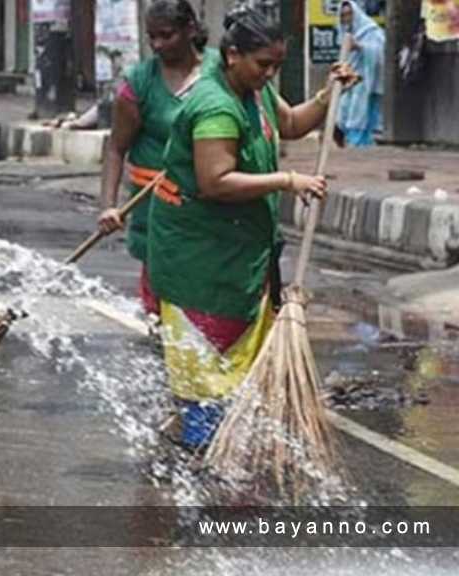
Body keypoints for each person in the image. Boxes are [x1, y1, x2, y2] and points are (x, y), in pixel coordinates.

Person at [146, 5, 358, 450]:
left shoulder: (255, 91)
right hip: (201, 267)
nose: (269, 73)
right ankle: (202, 474)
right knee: (207, 386)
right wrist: (288, 180)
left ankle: (221, 460)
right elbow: (215, 181)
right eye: (264, 65)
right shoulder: (216, 107)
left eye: (277, 65)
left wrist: (326, 97)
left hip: (240, 258)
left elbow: (291, 124)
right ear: (232, 56)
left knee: (235, 387)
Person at [99, 0, 219, 321]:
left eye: (166, 35)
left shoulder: (223, 72)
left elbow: (279, 121)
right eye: (152, 36)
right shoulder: (139, 83)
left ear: (190, 30)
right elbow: (115, 148)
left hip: (212, 209)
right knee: (163, 310)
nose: (157, 45)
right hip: (157, 211)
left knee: (211, 307)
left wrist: (326, 97)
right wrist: (108, 206)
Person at [335, 0, 385, 148]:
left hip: (366, 80)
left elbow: (380, 50)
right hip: (349, 79)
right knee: (344, 109)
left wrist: (360, 47)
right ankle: (348, 141)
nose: (346, 18)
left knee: (362, 112)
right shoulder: (344, 33)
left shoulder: (370, 30)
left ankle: (360, 143)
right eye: (343, 15)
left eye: (349, 14)